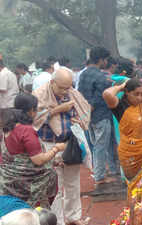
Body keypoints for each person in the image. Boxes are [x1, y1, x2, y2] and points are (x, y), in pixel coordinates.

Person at [33, 68, 91, 225]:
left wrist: (77, 120)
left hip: (69, 143)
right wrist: (58, 109)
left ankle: (74, 217)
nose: (66, 91)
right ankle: (57, 220)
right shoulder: (39, 95)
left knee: (73, 182)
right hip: (49, 144)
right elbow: (34, 119)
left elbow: (84, 110)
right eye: (63, 88)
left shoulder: (72, 93)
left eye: (69, 87)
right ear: (52, 82)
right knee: (55, 186)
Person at [0, 94, 64, 208]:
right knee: (34, 213)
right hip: (28, 185)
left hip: (7, 182)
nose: (36, 113)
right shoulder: (26, 130)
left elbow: (19, 155)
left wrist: (53, 161)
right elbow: (38, 160)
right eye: (36, 109)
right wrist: (56, 148)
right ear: (30, 111)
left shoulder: (7, 127)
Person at [78, 47, 120, 187]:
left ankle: (107, 171)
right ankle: (99, 176)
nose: (106, 62)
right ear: (101, 59)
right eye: (106, 59)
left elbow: (81, 95)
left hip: (88, 116)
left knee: (98, 145)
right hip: (101, 115)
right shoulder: (100, 77)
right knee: (100, 146)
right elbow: (100, 98)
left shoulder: (83, 74)